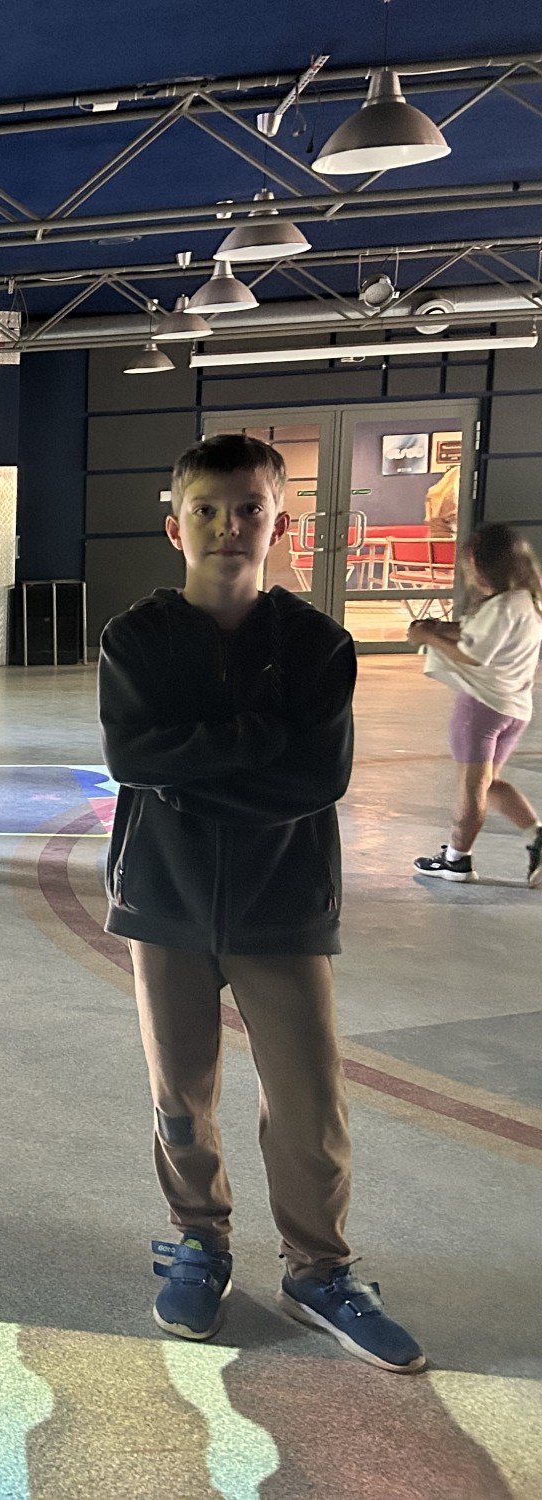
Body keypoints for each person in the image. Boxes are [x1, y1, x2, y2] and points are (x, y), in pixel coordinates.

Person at [98, 433, 424, 1374]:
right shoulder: (137, 638)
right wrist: (256, 739)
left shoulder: (318, 645)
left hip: (283, 904)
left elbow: (315, 777)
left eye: (249, 509)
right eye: (206, 510)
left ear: (281, 525)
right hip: (164, 898)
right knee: (180, 1095)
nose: (228, 527)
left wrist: (190, 770)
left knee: (309, 1098)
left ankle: (317, 1269)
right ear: (175, 527)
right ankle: (198, 1239)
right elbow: (132, 758)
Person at [408, 522, 542, 887]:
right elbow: (477, 632)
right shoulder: (526, 602)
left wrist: (428, 637)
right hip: (513, 708)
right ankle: (538, 836)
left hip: (481, 707)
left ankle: (456, 859)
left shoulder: (500, 607)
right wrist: (442, 628)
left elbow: (474, 654)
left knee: (471, 791)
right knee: (489, 784)